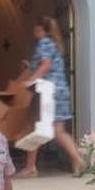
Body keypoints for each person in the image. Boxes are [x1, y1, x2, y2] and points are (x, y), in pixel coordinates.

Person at [16, 16, 85, 178]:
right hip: (60, 91)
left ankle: (31, 167)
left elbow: (46, 65)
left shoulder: (44, 43)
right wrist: (30, 66)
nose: (34, 31)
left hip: (49, 92)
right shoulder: (54, 44)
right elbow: (46, 64)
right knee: (58, 131)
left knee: (38, 128)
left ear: (40, 29)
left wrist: (30, 81)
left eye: (35, 28)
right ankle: (77, 161)